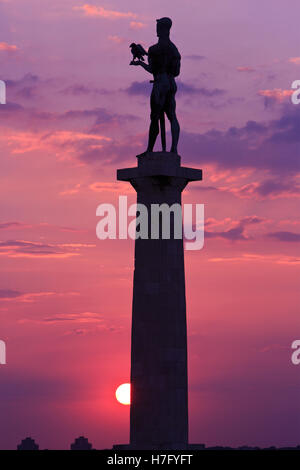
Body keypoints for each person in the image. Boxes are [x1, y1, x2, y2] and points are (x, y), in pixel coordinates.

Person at [130, 17, 181, 154]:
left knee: (155, 116)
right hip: (171, 83)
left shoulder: (154, 49)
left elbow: (152, 69)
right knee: (172, 116)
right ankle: (174, 149)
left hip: (160, 83)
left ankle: (149, 150)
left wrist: (140, 63)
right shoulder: (174, 50)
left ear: (161, 29)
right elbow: (176, 72)